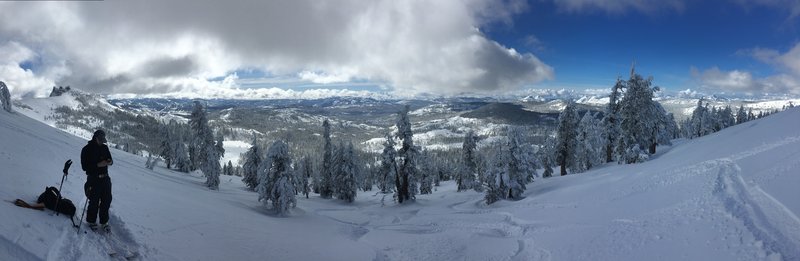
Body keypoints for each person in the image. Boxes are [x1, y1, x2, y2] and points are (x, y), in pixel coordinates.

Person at [81, 129, 113, 232]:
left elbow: (111, 161)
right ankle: (91, 221)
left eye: (103, 140)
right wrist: (98, 165)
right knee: (94, 200)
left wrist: (109, 161)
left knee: (106, 200)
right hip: (93, 178)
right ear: (95, 138)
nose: (102, 142)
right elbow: (85, 167)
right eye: (100, 140)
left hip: (105, 178)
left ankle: (104, 222)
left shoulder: (104, 147)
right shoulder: (86, 149)